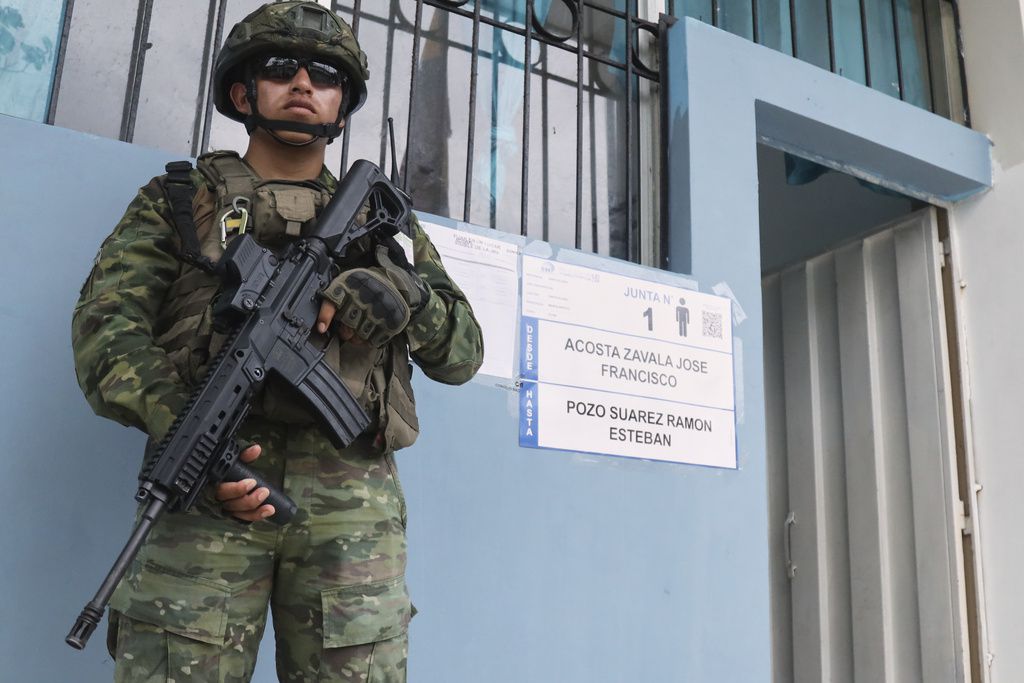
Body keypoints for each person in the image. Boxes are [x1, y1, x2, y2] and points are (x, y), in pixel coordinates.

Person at [71, 2, 483, 681]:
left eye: (323, 72)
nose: (302, 82)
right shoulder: (180, 200)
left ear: (342, 102)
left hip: (351, 504)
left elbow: (464, 353)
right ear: (242, 91)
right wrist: (193, 445)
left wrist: (406, 298)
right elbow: (104, 333)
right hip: (210, 493)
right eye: (278, 67)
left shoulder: (385, 226)